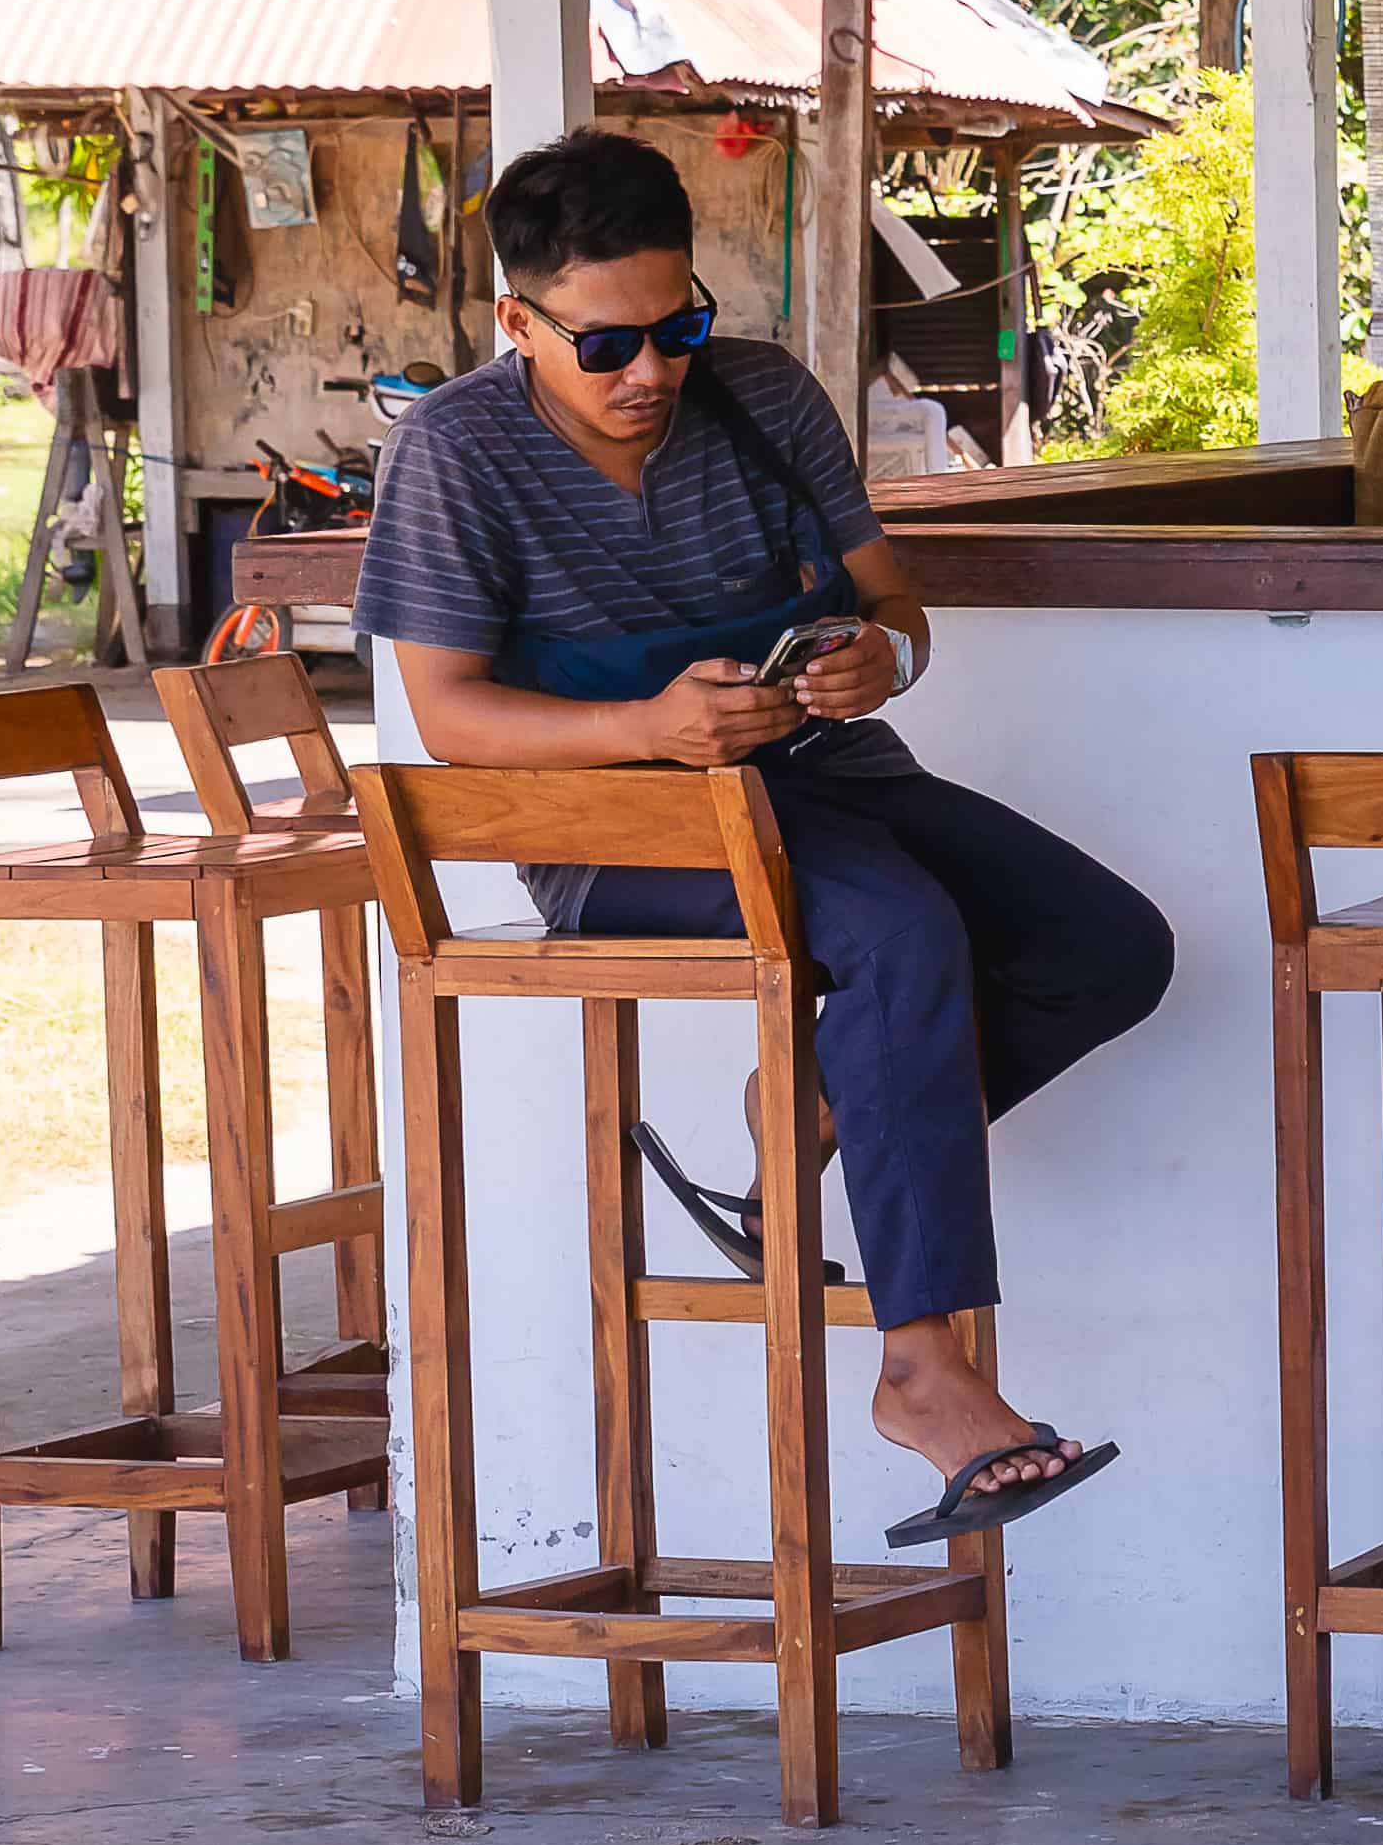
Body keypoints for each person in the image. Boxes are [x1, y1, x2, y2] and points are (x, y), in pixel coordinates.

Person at [356, 130, 1171, 1545]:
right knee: (898, 934)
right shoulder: (454, 452)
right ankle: (923, 1372)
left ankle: (814, 1106)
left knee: (1111, 948)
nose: (649, 372)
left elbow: (894, 608)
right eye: (606, 345)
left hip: (825, 774)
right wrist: (647, 727)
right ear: (516, 324)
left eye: (676, 327)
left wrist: (883, 661)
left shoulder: (764, 398)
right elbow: (447, 714)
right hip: (620, 829)